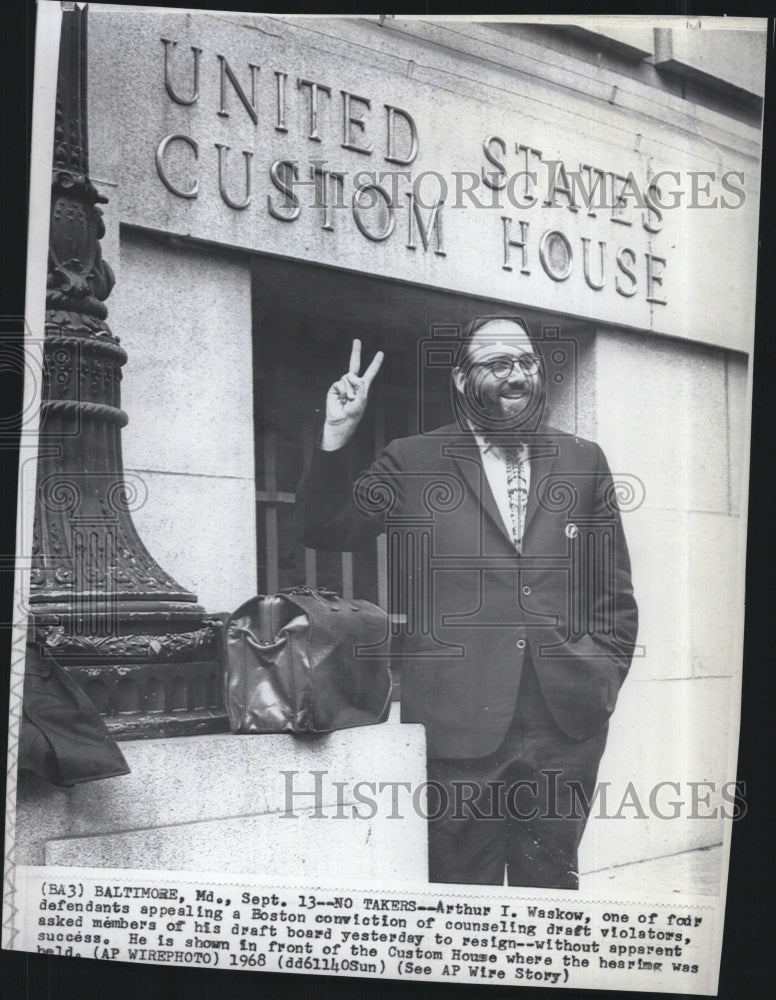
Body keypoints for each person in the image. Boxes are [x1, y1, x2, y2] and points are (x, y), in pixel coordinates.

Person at [296, 316, 638, 888]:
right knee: (462, 904)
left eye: (527, 363)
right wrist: (337, 436)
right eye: (499, 363)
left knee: (551, 900)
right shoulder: (413, 460)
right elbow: (325, 527)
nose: (518, 377)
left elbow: (614, 592)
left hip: (565, 727)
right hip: (458, 728)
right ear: (460, 379)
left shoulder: (583, 461)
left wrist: (602, 674)